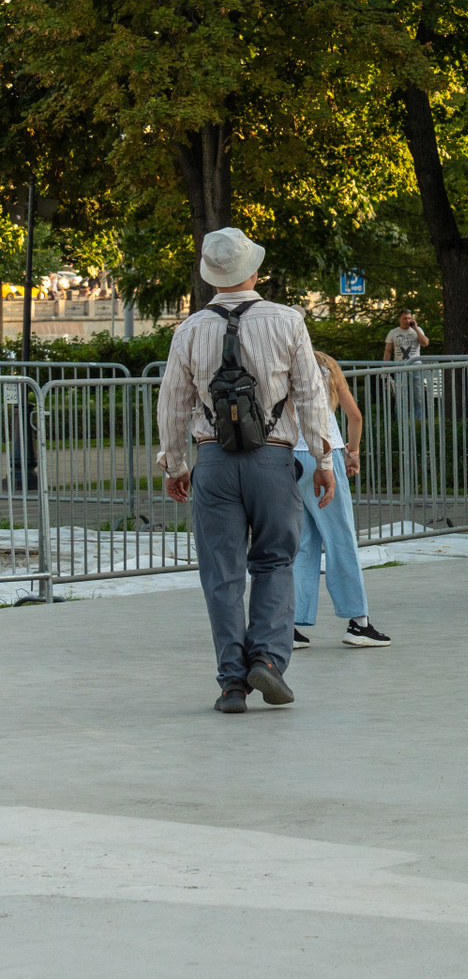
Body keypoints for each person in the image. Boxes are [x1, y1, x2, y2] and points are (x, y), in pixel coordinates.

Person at [156, 229, 336, 714]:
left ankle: (231, 683)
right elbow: (311, 394)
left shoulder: (190, 330)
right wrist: (323, 461)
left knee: (221, 573)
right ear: (253, 271)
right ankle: (269, 660)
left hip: (213, 460)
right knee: (275, 561)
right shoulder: (287, 320)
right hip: (273, 460)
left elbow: (172, 403)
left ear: (211, 276)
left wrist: (175, 464)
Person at [291, 352, 391, 649]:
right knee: (340, 539)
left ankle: (290, 625)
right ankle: (358, 622)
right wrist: (353, 452)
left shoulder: (279, 362)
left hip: (288, 457)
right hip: (326, 453)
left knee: (301, 544)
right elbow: (354, 415)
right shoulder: (325, 366)